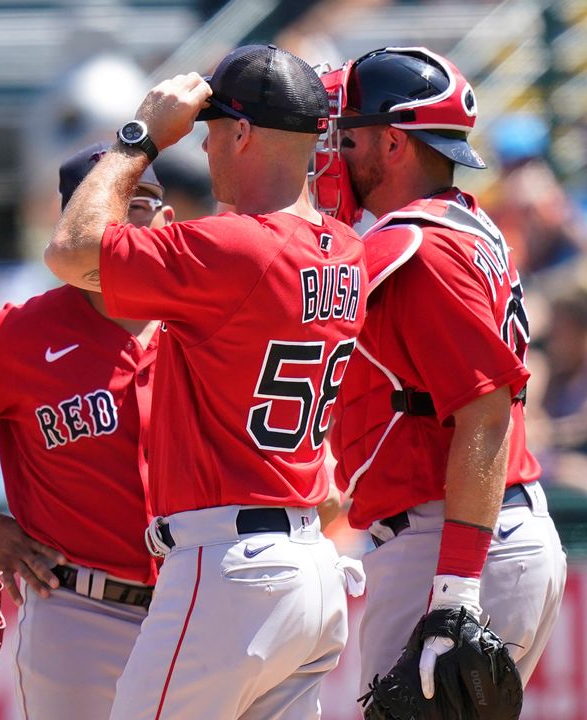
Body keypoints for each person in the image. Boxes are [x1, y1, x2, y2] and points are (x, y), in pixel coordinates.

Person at [45, 45, 366, 719]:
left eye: (213, 128)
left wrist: (140, 137)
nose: (207, 145)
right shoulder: (348, 251)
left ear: (243, 132)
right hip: (311, 564)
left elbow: (70, 250)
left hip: (231, 569)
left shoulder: (232, 245)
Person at [322, 46, 566, 697]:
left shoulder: (417, 246)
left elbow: (484, 415)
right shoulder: (466, 221)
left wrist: (455, 590)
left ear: (394, 143)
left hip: (452, 539)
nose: (336, 152)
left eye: (348, 135)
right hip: (475, 529)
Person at [0, 141, 168, 719]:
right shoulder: (17, 336)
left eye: (139, 202)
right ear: (71, 221)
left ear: (168, 218)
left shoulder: (203, 326)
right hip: (80, 610)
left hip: (196, 606)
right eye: (104, 203)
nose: (119, 220)